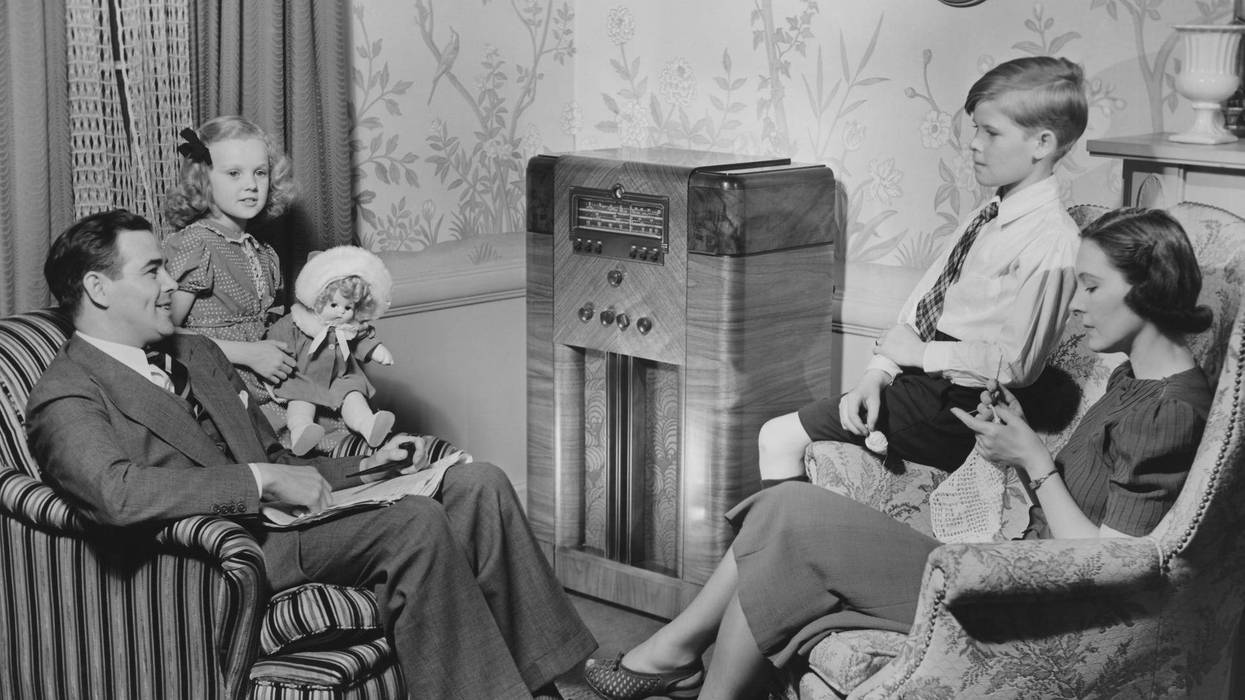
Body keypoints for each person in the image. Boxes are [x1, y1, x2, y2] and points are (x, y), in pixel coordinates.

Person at [584, 207, 1213, 699]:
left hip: (1022, 595)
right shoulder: (1135, 378)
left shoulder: (1173, 410)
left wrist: (1034, 459)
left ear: (1148, 290)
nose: (1074, 305)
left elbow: (1116, 564)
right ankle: (685, 669)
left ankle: (672, 658)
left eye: (1091, 286)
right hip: (1006, 559)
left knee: (789, 518)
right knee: (788, 517)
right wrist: (1015, 440)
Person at [27, 209, 595, 699]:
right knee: (413, 524)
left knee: (481, 482)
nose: (173, 283)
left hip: (289, 521)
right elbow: (115, 494)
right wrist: (260, 481)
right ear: (98, 288)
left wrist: (375, 466)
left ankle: (554, 679)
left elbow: (282, 457)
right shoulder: (68, 390)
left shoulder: (197, 354)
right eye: (153, 270)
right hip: (224, 554)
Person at [758, 56, 1088, 484]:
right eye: (975, 129)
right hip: (923, 382)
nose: (973, 143)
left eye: (991, 132)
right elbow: (920, 308)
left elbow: (1017, 362)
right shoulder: (985, 215)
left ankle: (780, 545)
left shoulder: (1053, 239)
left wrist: (918, 356)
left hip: (962, 405)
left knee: (778, 437)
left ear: (1041, 143)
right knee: (791, 433)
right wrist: (878, 374)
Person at [162, 116, 297, 414]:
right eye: (234, 173)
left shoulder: (263, 252)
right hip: (221, 387)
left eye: (260, 173)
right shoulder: (196, 244)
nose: (251, 185)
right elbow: (161, 332)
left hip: (270, 382)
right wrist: (248, 354)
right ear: (203, 179)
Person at [267, 246, 397, 454]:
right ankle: (301, 431)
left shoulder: (349, 328)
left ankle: (368, 425)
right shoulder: (299, 322)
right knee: (301, 401)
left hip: (341, 377)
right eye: (334, 304)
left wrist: (376, 350)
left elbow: (361, 340)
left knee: (354, 395)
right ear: (317, 299)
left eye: (348, 308)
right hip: (303, 376)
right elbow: (277, 338)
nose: (341, 313)